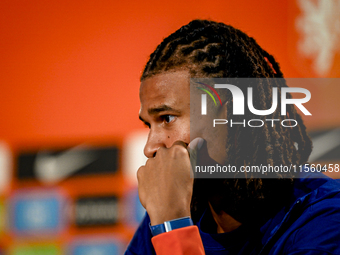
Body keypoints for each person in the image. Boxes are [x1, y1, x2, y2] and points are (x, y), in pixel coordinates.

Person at [125, 19, 340, 255]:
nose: (150, 147)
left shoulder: (324, 216)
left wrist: (173, 228)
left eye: (167, 118)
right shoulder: (170, 212)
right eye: (149, 124)